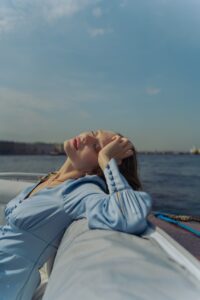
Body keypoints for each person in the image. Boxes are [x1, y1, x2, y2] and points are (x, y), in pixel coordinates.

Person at [0, 129, 152, 300]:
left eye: (96, 147)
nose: (86, 136)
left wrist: (106, 160)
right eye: (94, 132)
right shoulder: (51, 178)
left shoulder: (80, 191)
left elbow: (129, 215)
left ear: (97, 169)